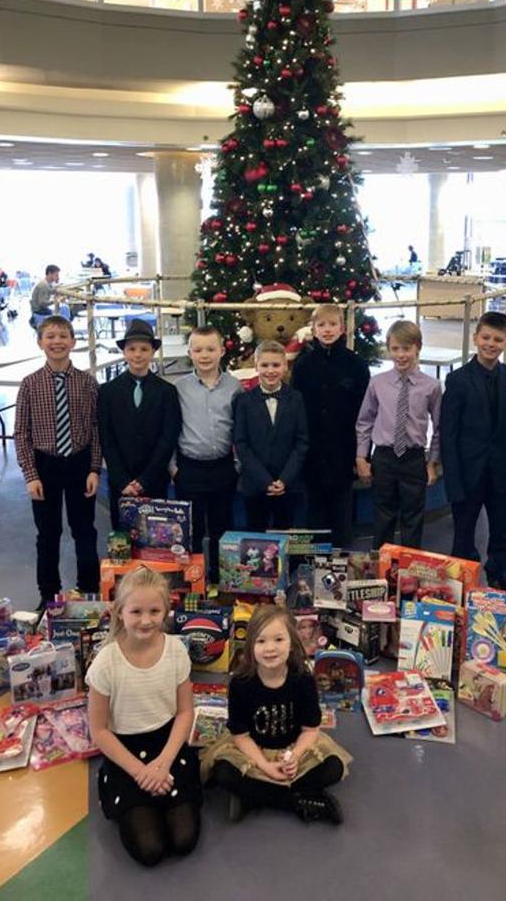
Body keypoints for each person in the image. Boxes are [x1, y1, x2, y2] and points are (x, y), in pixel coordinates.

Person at [87, 567, 201, 866]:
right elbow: (99, 730)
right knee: (150, 849)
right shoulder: (106, 663)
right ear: (119, 611)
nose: (146, 620)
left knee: (184, 840)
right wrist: (141, 772)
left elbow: (185, 711)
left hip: (169, 745)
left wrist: (163, 763)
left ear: (166, 610)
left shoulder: (175, 651)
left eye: (154, 611)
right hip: (125, 753)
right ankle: (133, 795)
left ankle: (164, 792)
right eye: (136, 611)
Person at [201, 605, 350, 824]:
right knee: (223, 772)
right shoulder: (241, 684)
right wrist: (265, 766)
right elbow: (241, 736)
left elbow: (310, 730)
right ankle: (300, 801)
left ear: (292, 643)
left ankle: (254, 798)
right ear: (250, 645)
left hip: (293, 748)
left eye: (279, 640)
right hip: (254, 751)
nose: (270, 648)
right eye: (261, 641)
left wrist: (295, 757)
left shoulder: (303, 679)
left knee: (333, 767)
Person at [14, 314, 101, 608]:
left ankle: (89, 590)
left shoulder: (87, 383)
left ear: (73, 342)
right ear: (40, 342)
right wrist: (31, 474)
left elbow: (96, 428)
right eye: (50, 336)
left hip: (79, 464)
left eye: (63, 336)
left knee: (84, 530)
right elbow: (21, 432)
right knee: (48, 533)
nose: (57, 342)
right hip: (45, 465)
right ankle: (48, 596)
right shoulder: (30, 384)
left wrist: (94, 468)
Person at [441, 311, 506, 585]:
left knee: (504, 532)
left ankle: (499, 579)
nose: (491, 344)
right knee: (463, 535)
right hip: (468, 475)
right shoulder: (457, 380)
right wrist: (452, 482)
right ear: (476, 337)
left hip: (504, 475)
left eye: (498, 339)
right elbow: (449, 435)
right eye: (486, 337)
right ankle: (461, 587)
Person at [356, 319, 441, 549]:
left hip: (413, 459)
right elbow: (364, 421)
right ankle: (382, 566)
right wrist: (361, 457)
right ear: (388, 349)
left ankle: (409, 566)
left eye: (406, 348)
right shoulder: (377, 383)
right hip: (384, 457)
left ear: (417, 348)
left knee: (413, 518)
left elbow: (439, 427)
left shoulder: (431, 386)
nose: (401, 355)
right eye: (395, 349)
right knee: (383, 516)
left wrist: (432, 462)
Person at [291, 303, 370, 546]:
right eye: (321, 325)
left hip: (343, 451)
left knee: (342, 514)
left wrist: (362, 455)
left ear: (342, 328)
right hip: (312, 453)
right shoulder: (303, 366)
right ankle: (314, 561)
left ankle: (341, 559)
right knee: (314, 513)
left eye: (333, 324)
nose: (327, 330)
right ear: (313, 329)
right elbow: (296, 411)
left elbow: (365, 414)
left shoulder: (356, 365)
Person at [173, 325, 241, 584]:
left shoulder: (234, 387)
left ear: (222, 351)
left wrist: (237, 465)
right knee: (191, 531)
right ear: (189, 352)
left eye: (210, 349)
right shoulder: (179, 388)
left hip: (223, 467)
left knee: (222, 529)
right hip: (189, 468)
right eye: (198, 349)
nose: (204, 355)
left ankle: (220, 582)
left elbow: (241, 428)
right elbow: (170, 428)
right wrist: (173, 468)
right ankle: (194, 583)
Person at [97, 319, 181, 530]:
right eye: (132, 349)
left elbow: (168, 437)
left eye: (144, 349)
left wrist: (146, 479)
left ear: (152, 351)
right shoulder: (107, 392)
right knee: (123, 537)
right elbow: (106, 438)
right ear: (124, 352)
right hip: (121, 482)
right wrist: (121, 479)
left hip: (154, 479)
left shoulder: (167, 392)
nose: (138, 355)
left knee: (157, 536)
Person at [234, 339, 309, 532]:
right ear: (256, 366)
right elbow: (241, 444)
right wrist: (264, 480)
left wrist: (284, 479)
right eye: (265, 365)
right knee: (255, 536)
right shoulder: (243, 401)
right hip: (255, 484)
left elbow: (301, 442)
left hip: (288, 483)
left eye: (276, 365)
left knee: (285, 533)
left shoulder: (297, 399)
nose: (270, 370)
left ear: (285, 366)